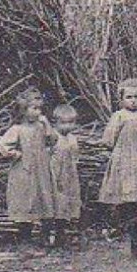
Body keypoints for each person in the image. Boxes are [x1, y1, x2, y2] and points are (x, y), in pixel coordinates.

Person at [0, 87, 57, 245]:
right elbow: (1, 146)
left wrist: (47, 124)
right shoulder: (17, 129)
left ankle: (45, 236)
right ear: (23, 110)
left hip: (41, 170)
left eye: (40, 109)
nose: (38, 112)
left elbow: (53, 140)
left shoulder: (41, 126)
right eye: (34, 108)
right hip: (23, 171)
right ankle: (25, 236)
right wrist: (15, 154)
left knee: (43, 198)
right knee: (25, 200)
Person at [98, 78, 137, 227]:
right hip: (124, 158)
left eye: (136, 97)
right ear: (121, 99)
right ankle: (122, 224)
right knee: (125, 190)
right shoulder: (119, 116)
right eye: (129, 97)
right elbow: (109, 139)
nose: (133, 101)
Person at [48, 103, 83, 247]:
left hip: (70, 175)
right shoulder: (53, 138)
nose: (67, 127)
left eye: (71, 123)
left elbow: (75, 157)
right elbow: (49, 159)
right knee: (57, 203)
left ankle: (69, 232)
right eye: (63, 123)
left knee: (71, 202)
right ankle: (56, 234)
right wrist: (55, 177)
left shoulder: (72, 138)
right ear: (55, 123)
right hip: (56, 175)